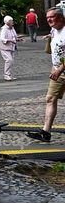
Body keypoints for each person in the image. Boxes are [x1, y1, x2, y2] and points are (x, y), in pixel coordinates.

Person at [27, 7, 65, 143]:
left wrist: (59, 69)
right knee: (50, 99)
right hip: (57, 71)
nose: (48, 19)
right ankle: (45, 132)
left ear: (60, 17)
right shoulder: (54, 29)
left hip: (60, 70)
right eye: (47, 17)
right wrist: (49, 37)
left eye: (52, 17)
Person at [0, 15, 18, 81]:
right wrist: (10, 40)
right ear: (7, 22)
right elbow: (2, 39)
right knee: (9, 60)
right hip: (4, 48)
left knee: (11, 61)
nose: (12, 22)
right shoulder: (4, 29)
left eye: (12, 21)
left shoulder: (12, 28)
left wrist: (18, 39)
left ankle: (9, 74)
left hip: (11, 47)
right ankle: (6, 75)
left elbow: (14, 37)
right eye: (11, 21)